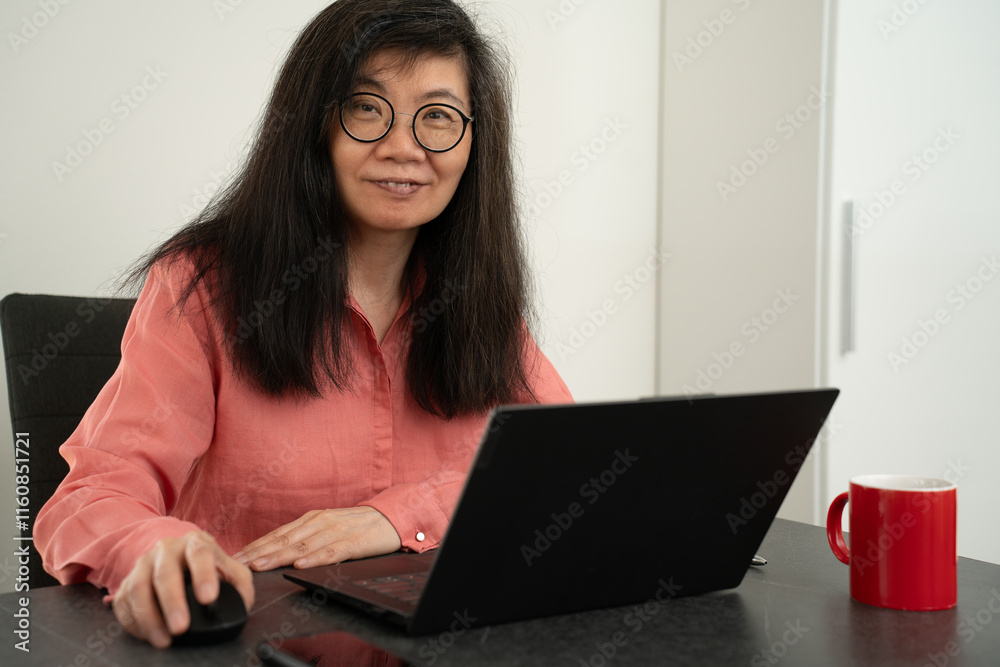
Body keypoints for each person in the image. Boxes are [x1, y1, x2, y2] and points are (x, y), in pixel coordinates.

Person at [35, 0, 572, 649]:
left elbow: (569, 477)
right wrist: (153, 546)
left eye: (438, 117)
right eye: (368, 108)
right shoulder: (201, 288)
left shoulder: (479, 297)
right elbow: (86, 499)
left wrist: (397, 517)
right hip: (249, 645)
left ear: (473, 142)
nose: (404, 147)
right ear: (314, 125)